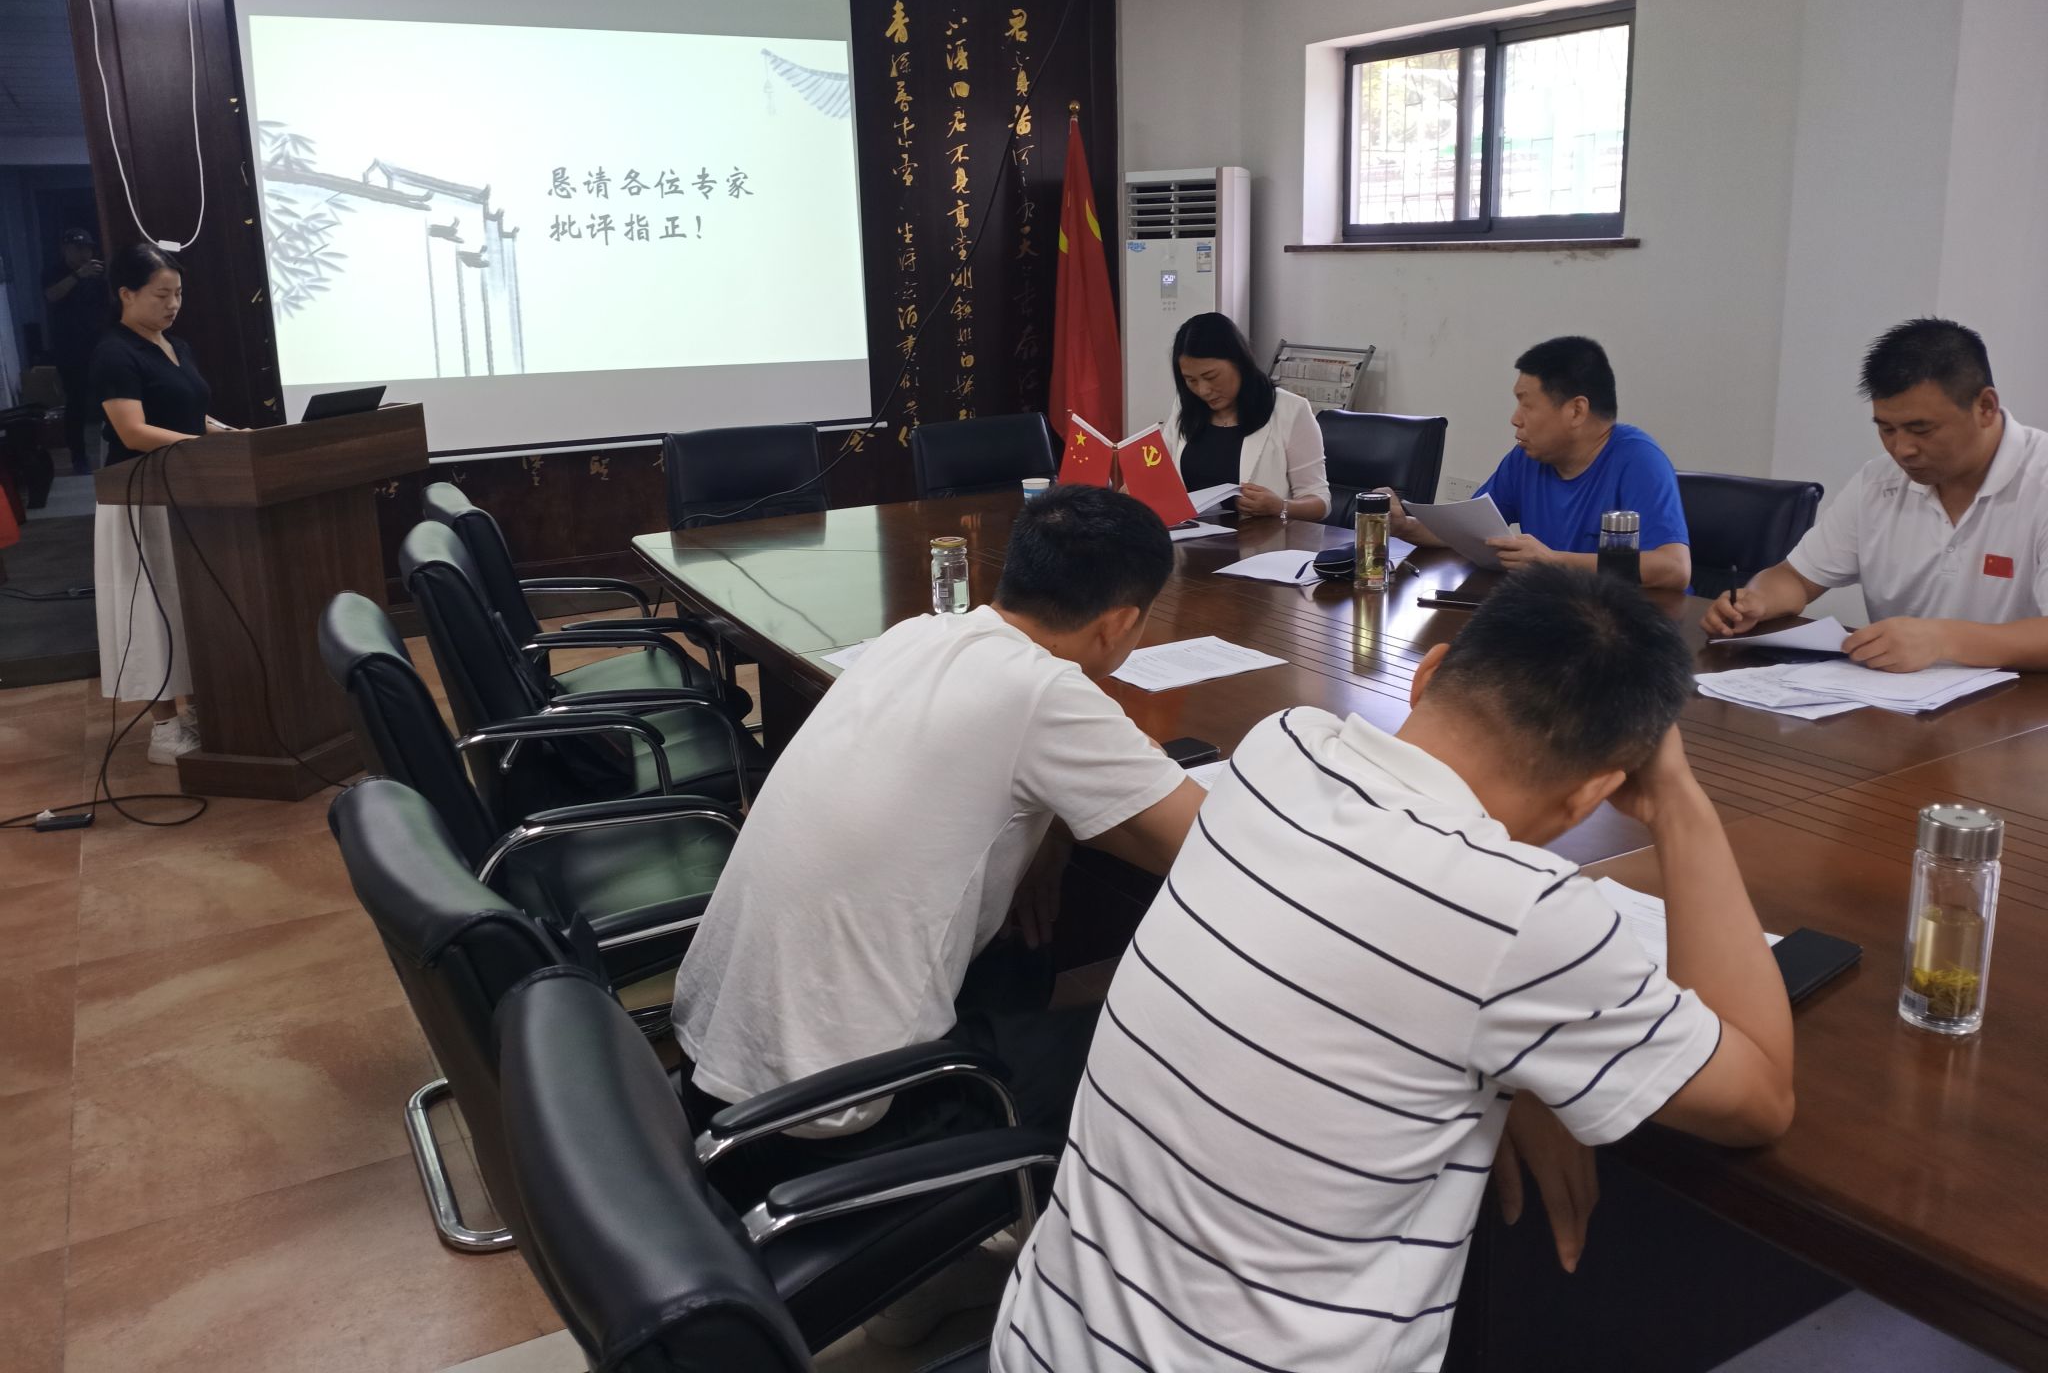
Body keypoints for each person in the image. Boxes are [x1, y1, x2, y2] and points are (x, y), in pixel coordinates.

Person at [993, 566, 1794, 1373]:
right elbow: (1759, 1097)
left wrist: (1518, 1059)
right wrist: (1678, 801)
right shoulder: (1520, 919)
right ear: (1596, 795)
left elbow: (1379, 958)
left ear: (1429, 670)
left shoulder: (1283, 747)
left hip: (1041, 1343)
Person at [671, 485, 1205, 1170]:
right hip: (826, 1124)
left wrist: (1055, 833)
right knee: (1149, 1053)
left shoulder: (916, 635)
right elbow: (1210, 843)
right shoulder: (1044, 692)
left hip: (713, 1072)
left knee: (1023, 950)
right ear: (1120, 622)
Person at [1703, 318, 2047, 672]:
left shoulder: (2040, 481)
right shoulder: (1878, 482)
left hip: (2023, 701)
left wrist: (1942, 640)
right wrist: (1757, 600)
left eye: (1921, 429)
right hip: (1897, 696)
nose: (1902, 449)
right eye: (1887, 429)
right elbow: (1796, 578)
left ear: (1985, 407)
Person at [1388, 336, 1692, 589]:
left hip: (1625, 626)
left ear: (1576, 411)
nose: (1515, 418)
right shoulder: (1526, 459)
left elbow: (1674, 568)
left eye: (1527, 404)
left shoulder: (1638, 460)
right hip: (1553, 611)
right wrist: (1404, 526)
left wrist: (1553, 561)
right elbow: (1469, 533)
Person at [92, 243, 234, 765]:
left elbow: (190, 412)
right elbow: (132, 431)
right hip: (139, 496)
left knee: (185, 602)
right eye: (160, 294)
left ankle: (193, 710)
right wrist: (201, 445)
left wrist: (228, 435)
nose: (173, 304)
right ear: (126, 294)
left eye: (178, 293)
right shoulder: (114, 352)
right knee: (148, 608)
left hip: (184, 491)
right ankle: (165, 728)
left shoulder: (177, 345)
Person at [1160, 312, 1330, 520]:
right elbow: (1160, 472)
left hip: (1261, 538)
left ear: (1238, 362)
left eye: (1211, 377)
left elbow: (1320, 502)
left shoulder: (1290, 410)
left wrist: (1280, 507)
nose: (1203, 390)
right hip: (1189, 536)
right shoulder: (1185, 406)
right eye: (1191, 380)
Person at [42, 227, 109, 474]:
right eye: (78, 248)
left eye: (87, 248)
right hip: (69, 348)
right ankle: (78, 457)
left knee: (111, 398)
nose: (84, 253)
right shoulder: (53, 272)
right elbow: (51, 295)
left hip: (99, 345)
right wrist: (78, 275)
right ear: (65, 249)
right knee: (77, 402)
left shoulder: (98, 273)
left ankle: (114, 451)